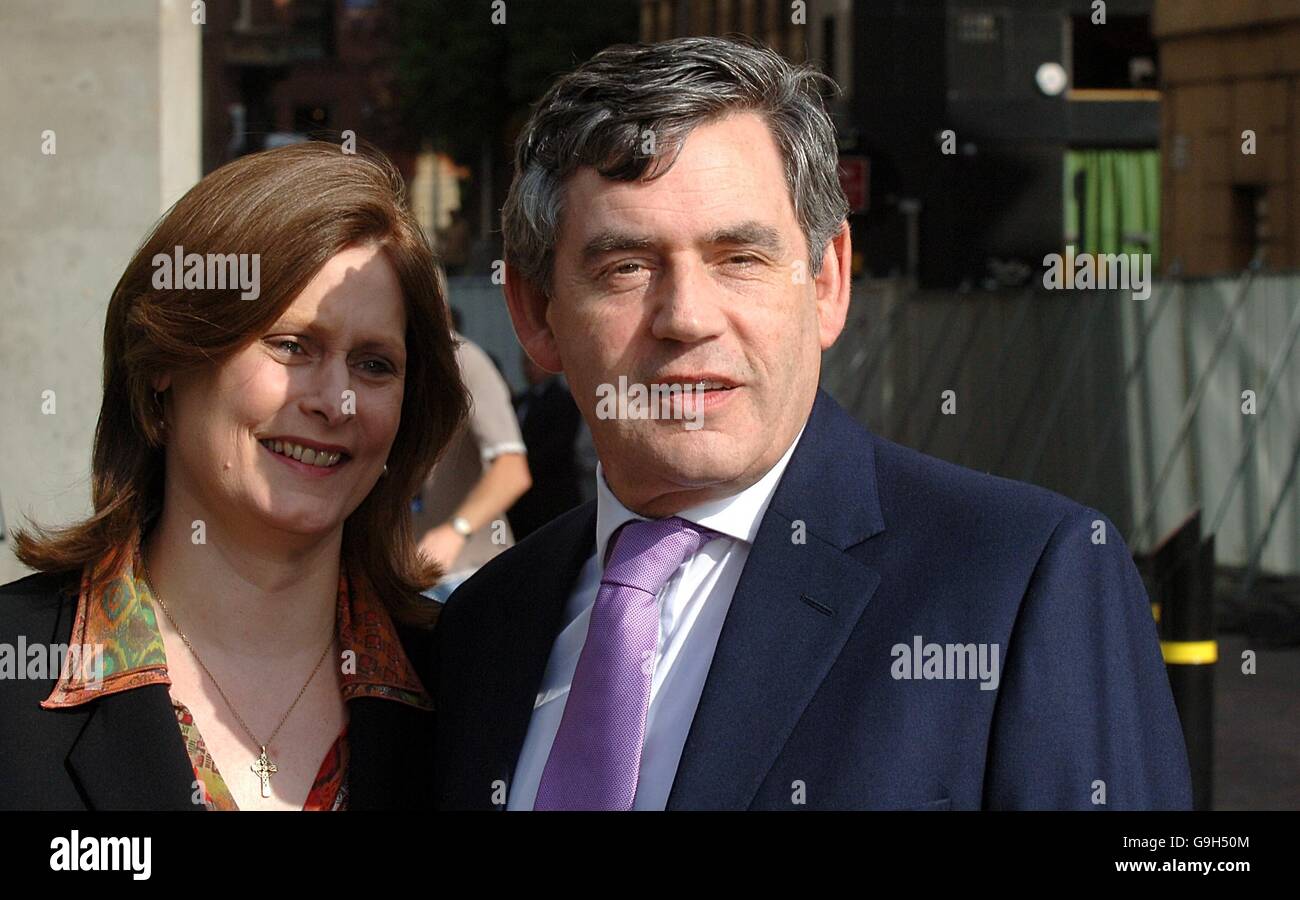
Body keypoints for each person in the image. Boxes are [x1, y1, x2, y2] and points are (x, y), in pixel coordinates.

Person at [431, 37, 1193, 810]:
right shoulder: (483, 630)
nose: (687, 317)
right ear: (535, 314)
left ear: (826, 283)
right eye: (626, 266)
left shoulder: (1023, 583)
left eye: (740, 259)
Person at [0, 141, 468, 810]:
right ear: (166, 362)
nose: (334, 400)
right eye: (291, 345)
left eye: (373, 365)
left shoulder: (472, 693)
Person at [412, 328, 531, 603]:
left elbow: (512, 469)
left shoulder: (463, 360)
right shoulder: (386, 359)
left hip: (466, 577)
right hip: (402, 581)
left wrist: (455, 531)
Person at [507, 350, 586, 540]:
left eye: (532, 362)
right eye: (524, 362)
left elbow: (558, 446)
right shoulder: (520, 401)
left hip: (551, 497)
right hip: (521, 503)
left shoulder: (564, 400)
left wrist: (521, 466)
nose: (527, 368)